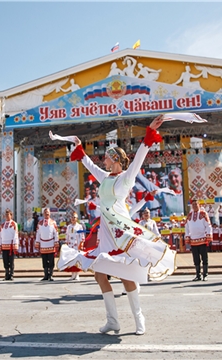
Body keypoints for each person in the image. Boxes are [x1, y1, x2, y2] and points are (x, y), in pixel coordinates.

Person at [57, 115, 175, 336]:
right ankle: (113, 321)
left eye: (108, 159)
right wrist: (79, 149)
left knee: (126, 275)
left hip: (121, 230)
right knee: (99, 273)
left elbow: (140, 156)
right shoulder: (105, 178)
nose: (104, 161)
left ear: (116, 160)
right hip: (106, 231)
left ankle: (139, 319)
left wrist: (149, 132)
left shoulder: (126, 178)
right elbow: (90, 165)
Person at [184, 200, 212, 281]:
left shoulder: (203, 214)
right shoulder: (189, 215)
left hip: (202, 239)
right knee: (196, 258)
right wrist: (187, 236)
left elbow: (208, 225)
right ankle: (198, 275)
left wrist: (208, 235)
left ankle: (205, 274)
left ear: (199, 205)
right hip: (193, 240)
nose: (195, 206)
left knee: (204, 258)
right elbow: (186, 226)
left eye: (196, 204)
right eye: (193, 204)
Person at [35, 208, 59, 281]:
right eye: (45, 212)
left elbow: (56, 233)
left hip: (51, 244)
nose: (47, 214)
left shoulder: (53, 222)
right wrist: (37, 242)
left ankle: (51, 275)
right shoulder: (40, 223)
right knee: (44, 260)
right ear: (43, 214)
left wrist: (56, 242)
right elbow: (38, 234)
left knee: (51, 260)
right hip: (43, 245)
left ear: (50, 213)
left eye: (48, 212)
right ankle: (46, 275)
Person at [0, 209, 19, 281]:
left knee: (11, 260)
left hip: (10, 245)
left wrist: (15, 244)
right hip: (4, 245)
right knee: (5, 260)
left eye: (8, 215)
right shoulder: (2, 225)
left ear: (11, 215)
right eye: (5, 215)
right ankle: (7, 274)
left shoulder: (14, 224)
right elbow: (0, 236)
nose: (6, 216)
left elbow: (15, 234)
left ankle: (11, 274)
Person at [65, 211, 85, 281]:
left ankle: (77, 275)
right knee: (71, 260)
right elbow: (67, 235)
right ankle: (73, 274)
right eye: (72, 217)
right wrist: (66, 243)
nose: (73, 219)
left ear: (77, 218)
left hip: (77, 245)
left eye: (74, 217)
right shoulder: (69, 227)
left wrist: (81, 244)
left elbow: (82, 236)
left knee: (77, 260)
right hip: (71, 245)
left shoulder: (79, 226)